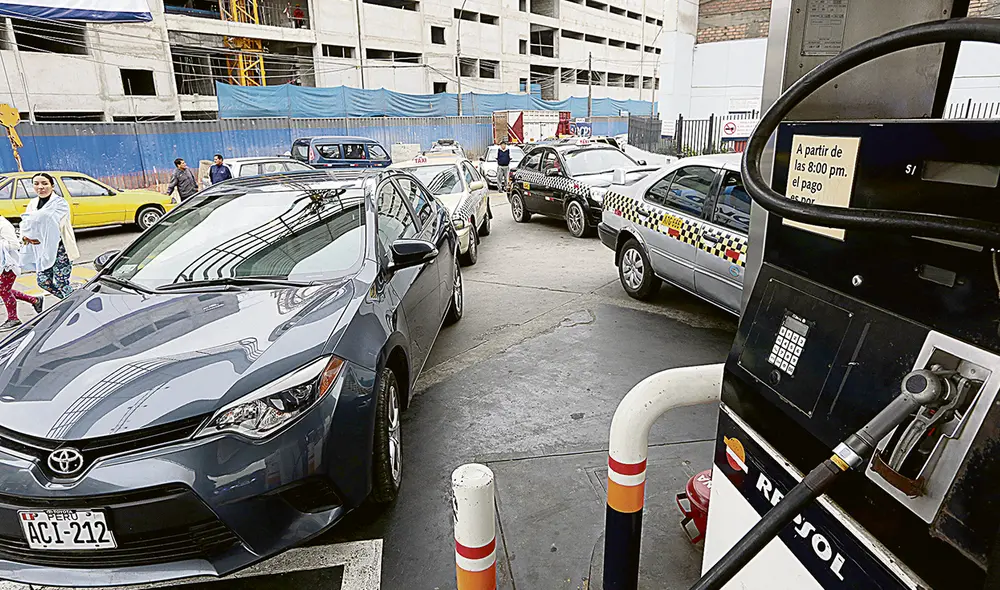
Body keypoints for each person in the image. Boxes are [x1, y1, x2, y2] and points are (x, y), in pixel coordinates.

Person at [20, 173, 80, 300]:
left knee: (61, 283)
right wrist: (25, 236)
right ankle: (71, 300)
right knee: (43, 281)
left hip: (60, 249)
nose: (40, 187)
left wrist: (28, 221)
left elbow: (44, 217)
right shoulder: (32, 203)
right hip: (41, 249)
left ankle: (72, 304)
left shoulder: (60, 203)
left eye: (44, 183)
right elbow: (26, 224)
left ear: (52, 186)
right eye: (36, 184)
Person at [0, 214, 42, 329]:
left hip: (8, 264)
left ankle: (13, 319)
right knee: (4, 289)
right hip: (2, 264)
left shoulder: (3, 225)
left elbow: (14, 244)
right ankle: (34, 300)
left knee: (4, 290)